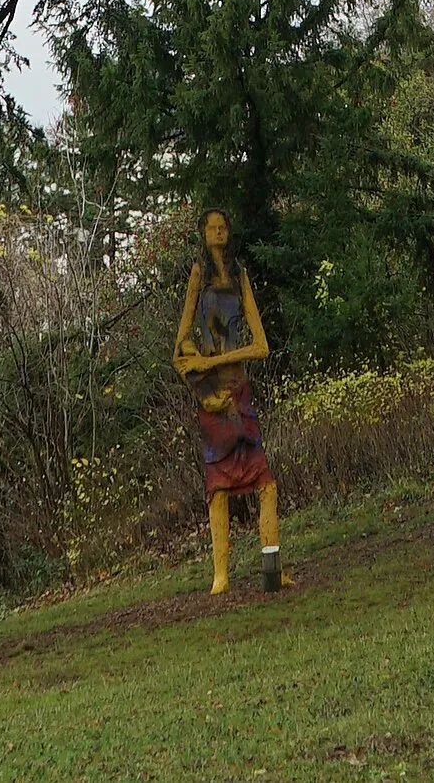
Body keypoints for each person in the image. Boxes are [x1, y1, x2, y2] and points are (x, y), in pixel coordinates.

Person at [172, 207, 287, 594]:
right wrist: (203, 383)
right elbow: (181, 350)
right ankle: (220, 573)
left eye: (224, 227)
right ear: (203, 234)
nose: (219, 233)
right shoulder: (197, 276)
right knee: (217, 488)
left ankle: (272, 567)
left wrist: (214, 359)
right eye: (212, 228)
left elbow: (261, 347)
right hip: (213, 399)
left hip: (240, 394)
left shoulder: (240, 277)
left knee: (265, 482)